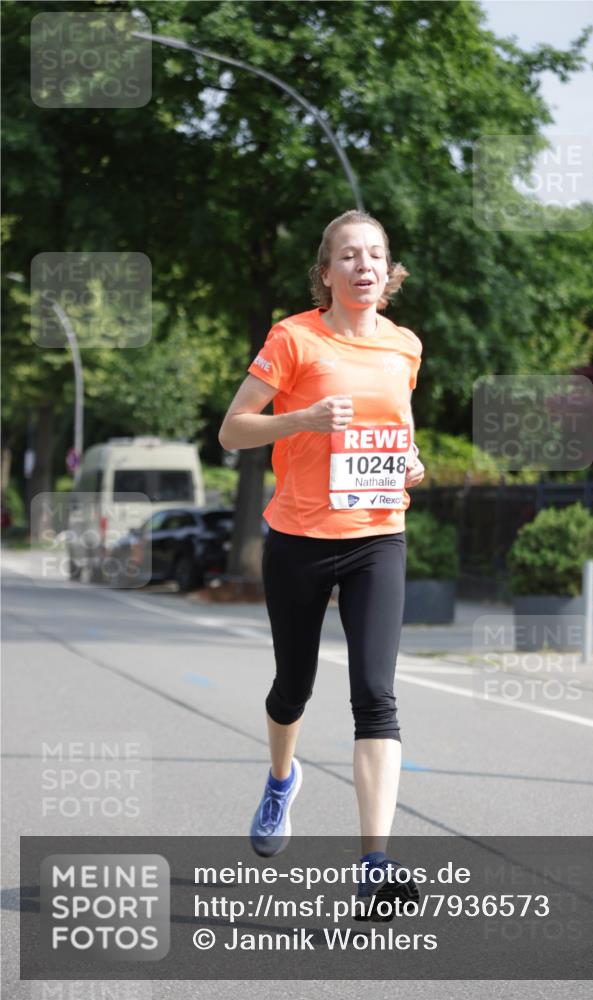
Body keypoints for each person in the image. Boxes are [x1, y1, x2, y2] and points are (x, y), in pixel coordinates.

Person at [219, 209, 425, 920]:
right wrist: (299, 420)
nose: (364, 265)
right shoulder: (293, 337)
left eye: (375, 255)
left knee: (376, 694)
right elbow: (232, 428)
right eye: (349, 256)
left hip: (377, 534)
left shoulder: (404, 347)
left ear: (387, 270)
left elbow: (397, 426)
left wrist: (412, 462)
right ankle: (281, 780)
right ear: (327, 272)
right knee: (293, 688)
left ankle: (373, 865)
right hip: (300, 537)